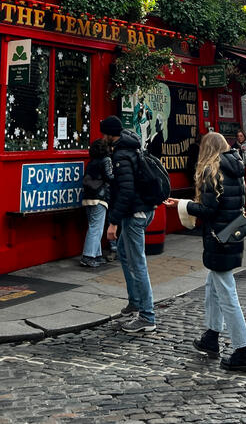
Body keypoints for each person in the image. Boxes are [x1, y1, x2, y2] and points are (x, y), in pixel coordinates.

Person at [165, 131, 246, 373]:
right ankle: (211, 336)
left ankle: (243, 351)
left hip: (218, 238)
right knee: (212, 287)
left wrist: (181, 204)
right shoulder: (236, 166)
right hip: (232, 237)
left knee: (227, 295)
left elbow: (208, 209)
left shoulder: (212, 170)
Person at [101, 114, 157, 333]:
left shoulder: (121, 156)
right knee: (125, 252)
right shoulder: (130, 148)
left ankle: (147, 316)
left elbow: (125, 191)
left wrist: (113, 223)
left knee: (137, 262)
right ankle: (135, 301)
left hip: (135, 213)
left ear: (109, 134)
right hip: (143, 209)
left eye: (103, 133)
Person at [80, 138, 114, 267]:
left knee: (94, 226)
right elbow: (109, 177)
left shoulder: (91, 162)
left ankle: (97, 255)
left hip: (88, 197)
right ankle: (88, 256)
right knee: (96, 228)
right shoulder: (106, 160)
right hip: (99, 197)